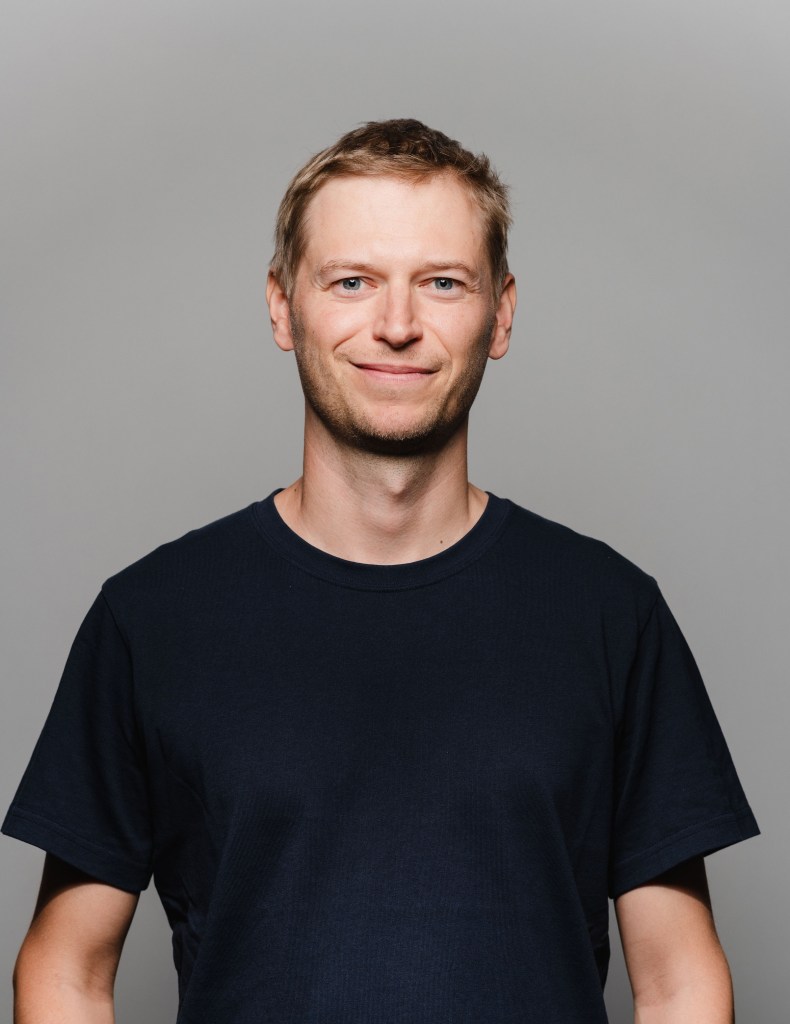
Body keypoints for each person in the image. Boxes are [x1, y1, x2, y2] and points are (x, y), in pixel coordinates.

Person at [4, 119, 759, 1023]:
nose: (396, 326)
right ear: (283, 307)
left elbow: (679, 981)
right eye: (352, 281)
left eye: (442, 283)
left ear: (501, 314)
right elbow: (64, 970)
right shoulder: (151, 619)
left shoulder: (612, 616)